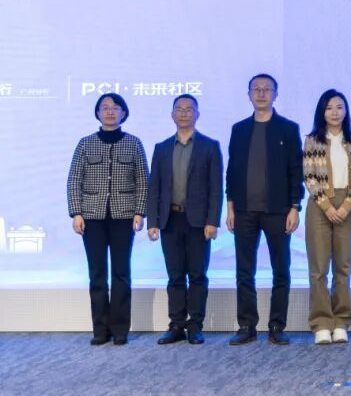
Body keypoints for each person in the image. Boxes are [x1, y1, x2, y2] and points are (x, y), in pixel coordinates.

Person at [225, 73, 303, 346]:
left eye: (266, 89)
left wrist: (295, 207)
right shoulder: (239, 129)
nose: (261, 93)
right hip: (244, 210)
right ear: (249, 95)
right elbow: (232, 170)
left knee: (281, 269)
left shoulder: (288, 128)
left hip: (278, 210)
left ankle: (277, 326)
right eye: (256, 89)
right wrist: (230, 207)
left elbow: (296, 170)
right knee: (244, 271)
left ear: (275, 94)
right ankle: (247, 325)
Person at [66, 92, 149, 346]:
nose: (110, 111)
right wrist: (76, 212)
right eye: (105, 107)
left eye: (115, 107)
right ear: (98, 113)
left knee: (121, 273)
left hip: (124, 217)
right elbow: (74, 180)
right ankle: (100, 330)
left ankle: (120, 329)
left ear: (123, 113)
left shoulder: (133, 143)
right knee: (97, 274)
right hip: (92, 218)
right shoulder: (85, 144)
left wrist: (140, 212)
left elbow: (143, 180)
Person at [147, 94, 223, 346]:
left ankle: (195, 325)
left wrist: (213, 221)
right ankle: (176, 324)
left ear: (197, 114)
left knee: (198, 275)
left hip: (199, 222)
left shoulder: (210, 146)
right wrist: (153, 221)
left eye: (189, 109)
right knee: (175, 276)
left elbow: (215, 188)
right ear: (172, 115)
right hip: (170, 219)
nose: (183, 113)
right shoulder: (161, 148)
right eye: (178, 109)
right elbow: (154, 187)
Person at [303, 89, 351, 345]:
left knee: (343, 266)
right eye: (329, 108)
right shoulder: (312, 140)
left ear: (346, 111)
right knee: (318, 268)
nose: (334, 112)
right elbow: (309, 176)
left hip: (347, 203)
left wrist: (347, 205)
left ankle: (341, 322)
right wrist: (327, 206)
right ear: (321, 112)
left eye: (339, 107)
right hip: (319, 204)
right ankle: (321, 323)